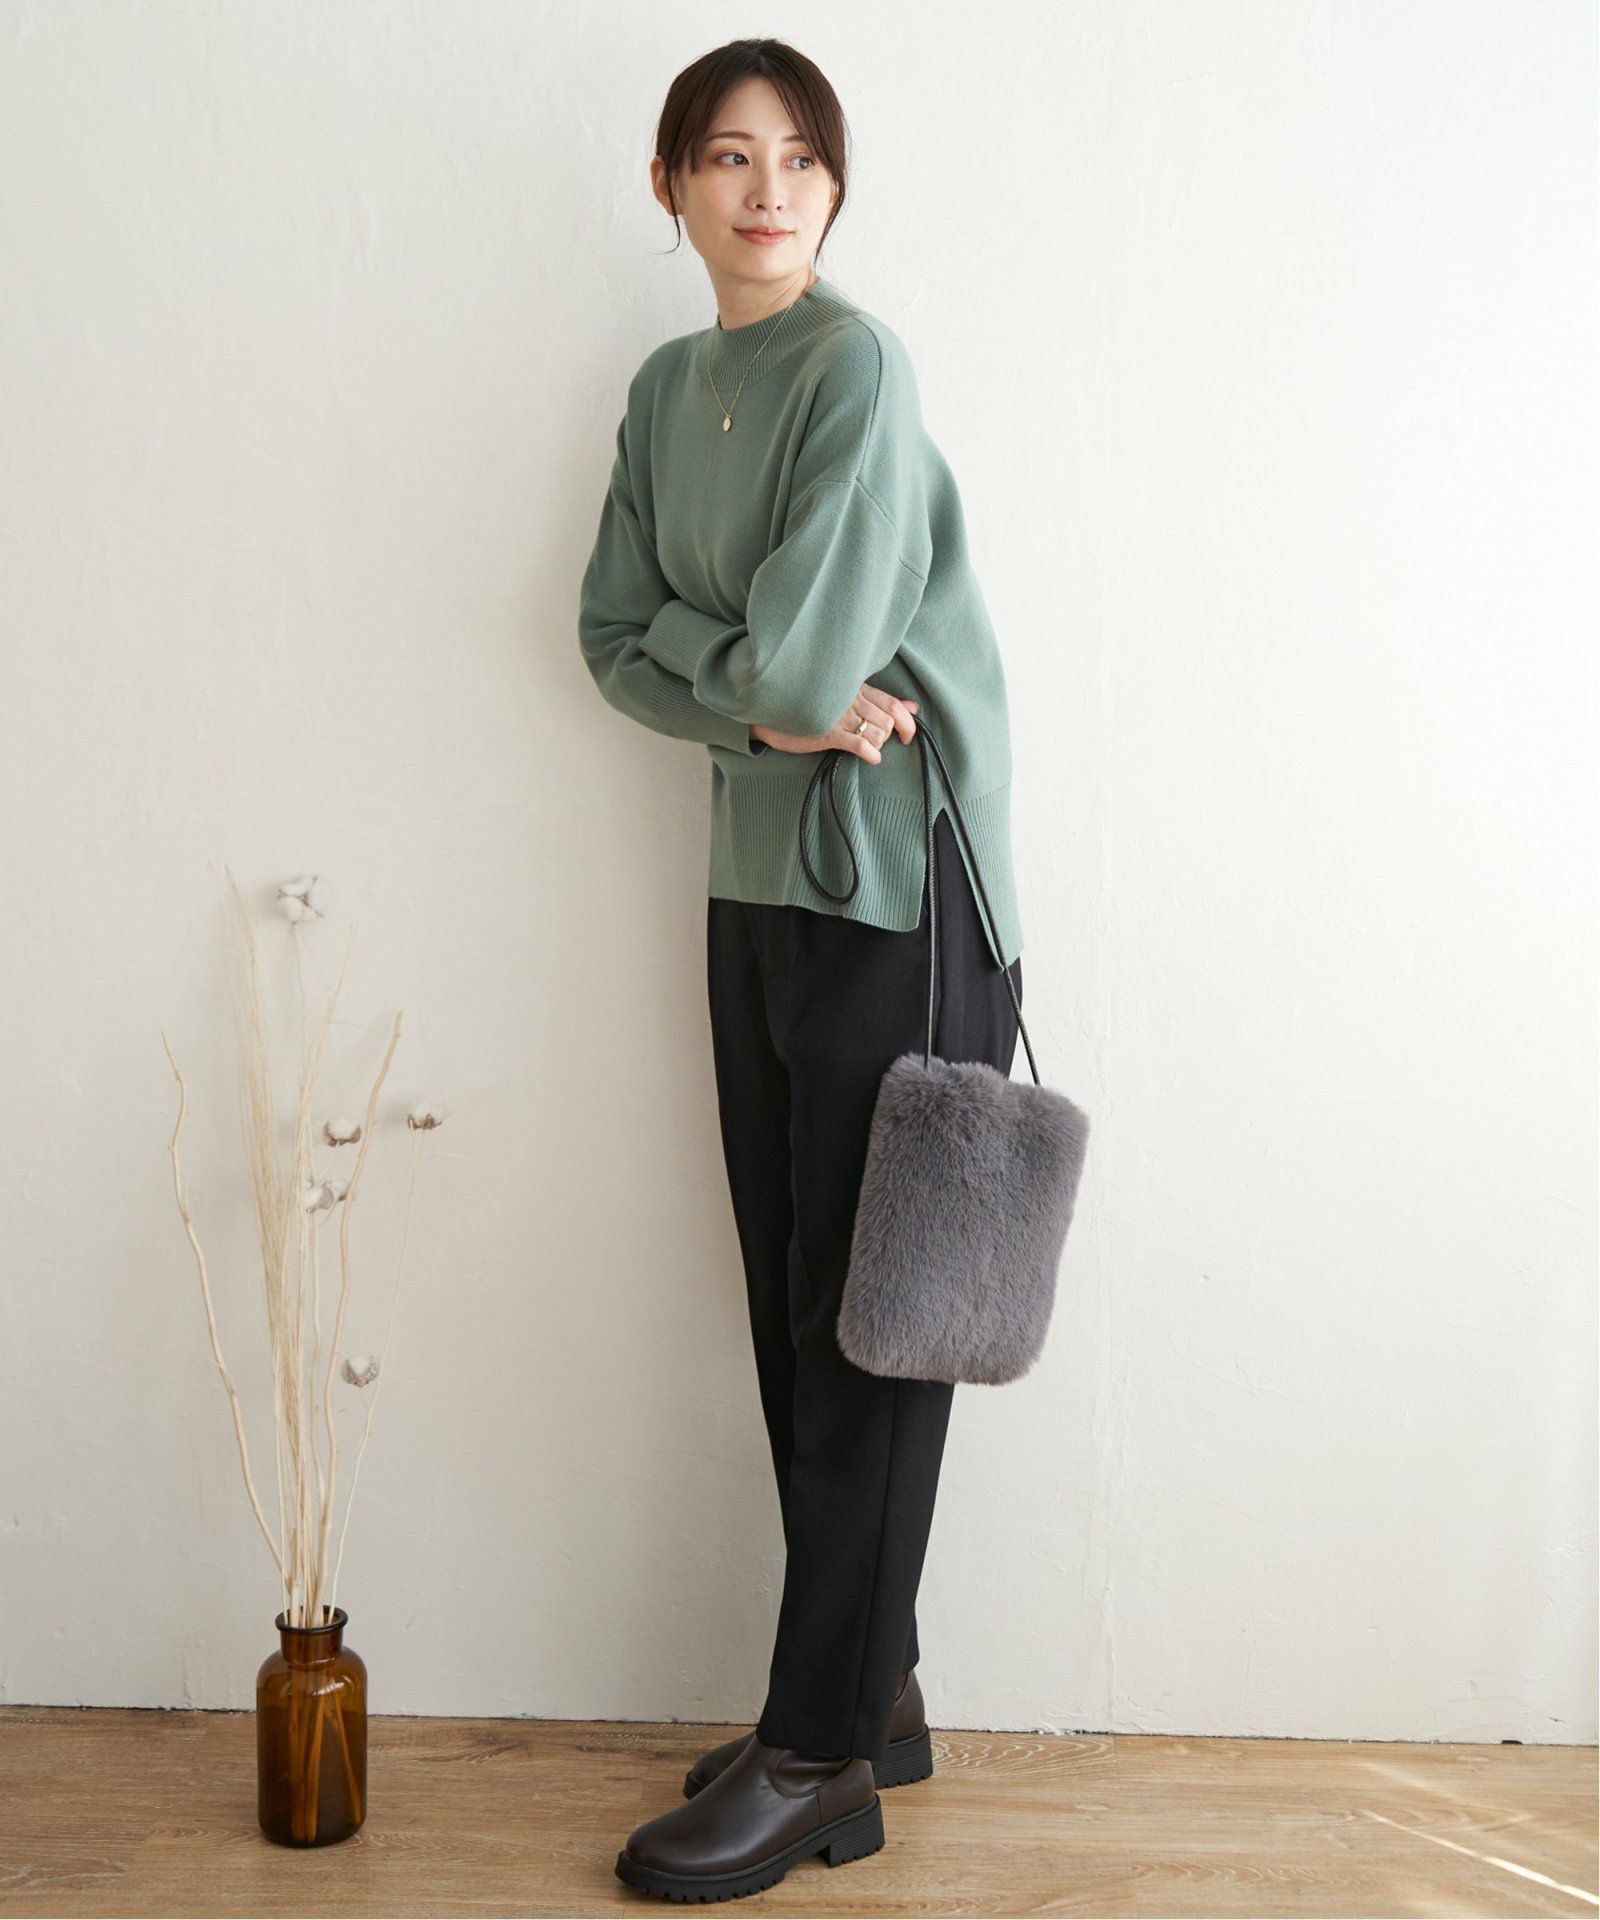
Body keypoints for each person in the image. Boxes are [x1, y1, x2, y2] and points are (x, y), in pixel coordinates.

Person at [577, 36, 1024, 1903]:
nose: (766, 190)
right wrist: (753, 698)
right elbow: (612, 637)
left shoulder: (857, 367)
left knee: (871, 1324)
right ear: (671, 184)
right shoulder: (666, 389)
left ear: (835, 188)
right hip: (758, 879)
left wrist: (753, 680)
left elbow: (806, 654)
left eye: (799, 159)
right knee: (792, 1300)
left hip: (894, 896)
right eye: (726, 156)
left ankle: (817, 1749)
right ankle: (875, 1689)